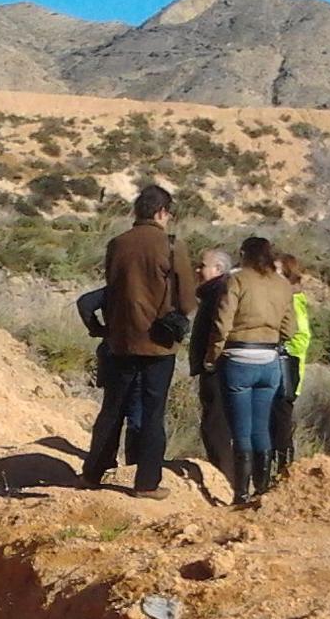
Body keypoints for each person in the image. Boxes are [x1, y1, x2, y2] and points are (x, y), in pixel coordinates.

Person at [83, 185, 197, 496]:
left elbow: (111, 289)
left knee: (112, 408)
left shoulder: (117, 244)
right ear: (162, 212)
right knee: (152, 412)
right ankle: (147, 483)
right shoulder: (172, 246)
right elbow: (187, 300)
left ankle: (92, 472)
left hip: (121, 339)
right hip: (159, 344)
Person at [209, 236, 297, 506]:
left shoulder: (237, 280)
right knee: (261, 428)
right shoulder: (282, 285)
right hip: (269, 361)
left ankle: (241, 493)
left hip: (238, 358)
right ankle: (263, 488)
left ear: (244, 253)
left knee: (241, 430)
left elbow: (222, 323)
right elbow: (290, 330)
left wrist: (212, 356)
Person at [76, 283, 139, 471]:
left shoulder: (116, 287)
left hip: (112, 352)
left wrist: (98, 329)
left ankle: (101, 462)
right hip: (141, 356)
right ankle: (135, 466)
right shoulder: (151, 287)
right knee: (138, 413)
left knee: (111, 411)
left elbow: (85, 303)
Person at [187, 247, 235, 474]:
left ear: (217, 269)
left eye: (202, 265)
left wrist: (210, 359)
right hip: (219, 365)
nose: (197, 270)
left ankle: (225, 476)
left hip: (217, 366)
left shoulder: (219, 292)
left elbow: (220, 329)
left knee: (215, 424)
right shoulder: (214, 291)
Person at [268, 253, 312, 482]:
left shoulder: (293, 301)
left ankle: (285, 473)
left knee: (281, 424)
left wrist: (277, 342)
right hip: (275, 367)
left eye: (276, 271)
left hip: (287, 371)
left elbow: (301, 338)